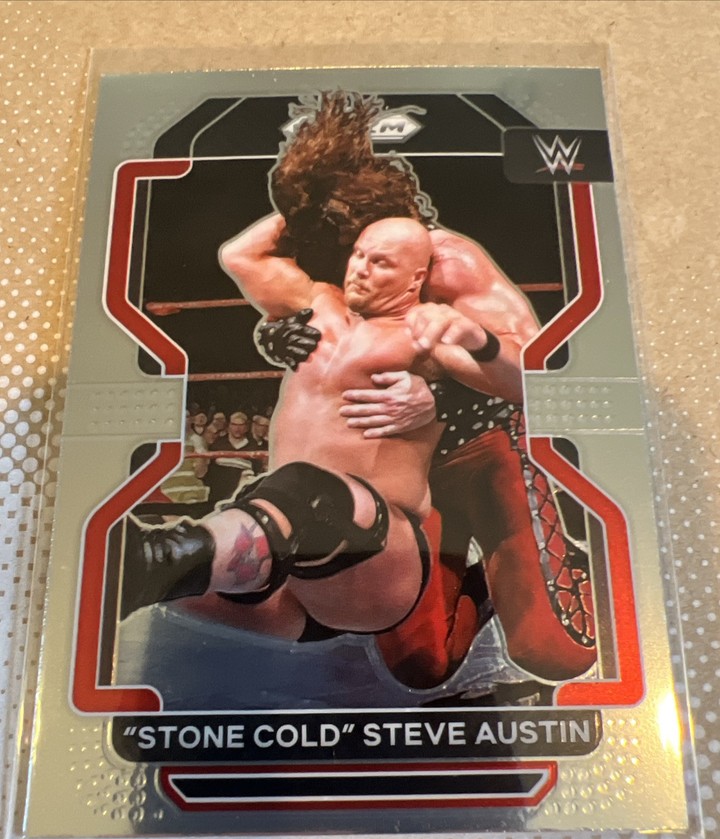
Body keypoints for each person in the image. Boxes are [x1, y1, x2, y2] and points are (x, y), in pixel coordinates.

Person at [252, 90, 597, 683]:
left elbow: (541, 380)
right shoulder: (332, 252)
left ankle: (556, 570)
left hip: (484, 447)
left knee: (554, 653)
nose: (352, 265)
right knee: (420, 666)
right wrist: (272, 333)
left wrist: (444, 394)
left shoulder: (450, 264)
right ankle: (484, 590)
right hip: (405, 478)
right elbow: (265, 273)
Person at [121, 215, 510, 652]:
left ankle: (158, 558)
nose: (361, 269)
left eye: (381, 262)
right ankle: (149, 562)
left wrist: (453, 382)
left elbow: (522, 385)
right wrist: (320, 201)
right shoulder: (316, 303)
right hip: (280, 583)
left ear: (416, 277)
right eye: (358, 254)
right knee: (119, 570)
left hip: (368, 556)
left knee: (306, 490)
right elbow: (240, 255)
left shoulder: (426, 334)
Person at [204, 410, 257, 505]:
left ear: (246, 427)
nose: (237, 428)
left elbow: (256, 471)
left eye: (241, 425)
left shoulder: (253, 447)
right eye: (234, 424)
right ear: (229, 426)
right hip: (217, 496)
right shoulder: (217, 445)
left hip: (242, 496)